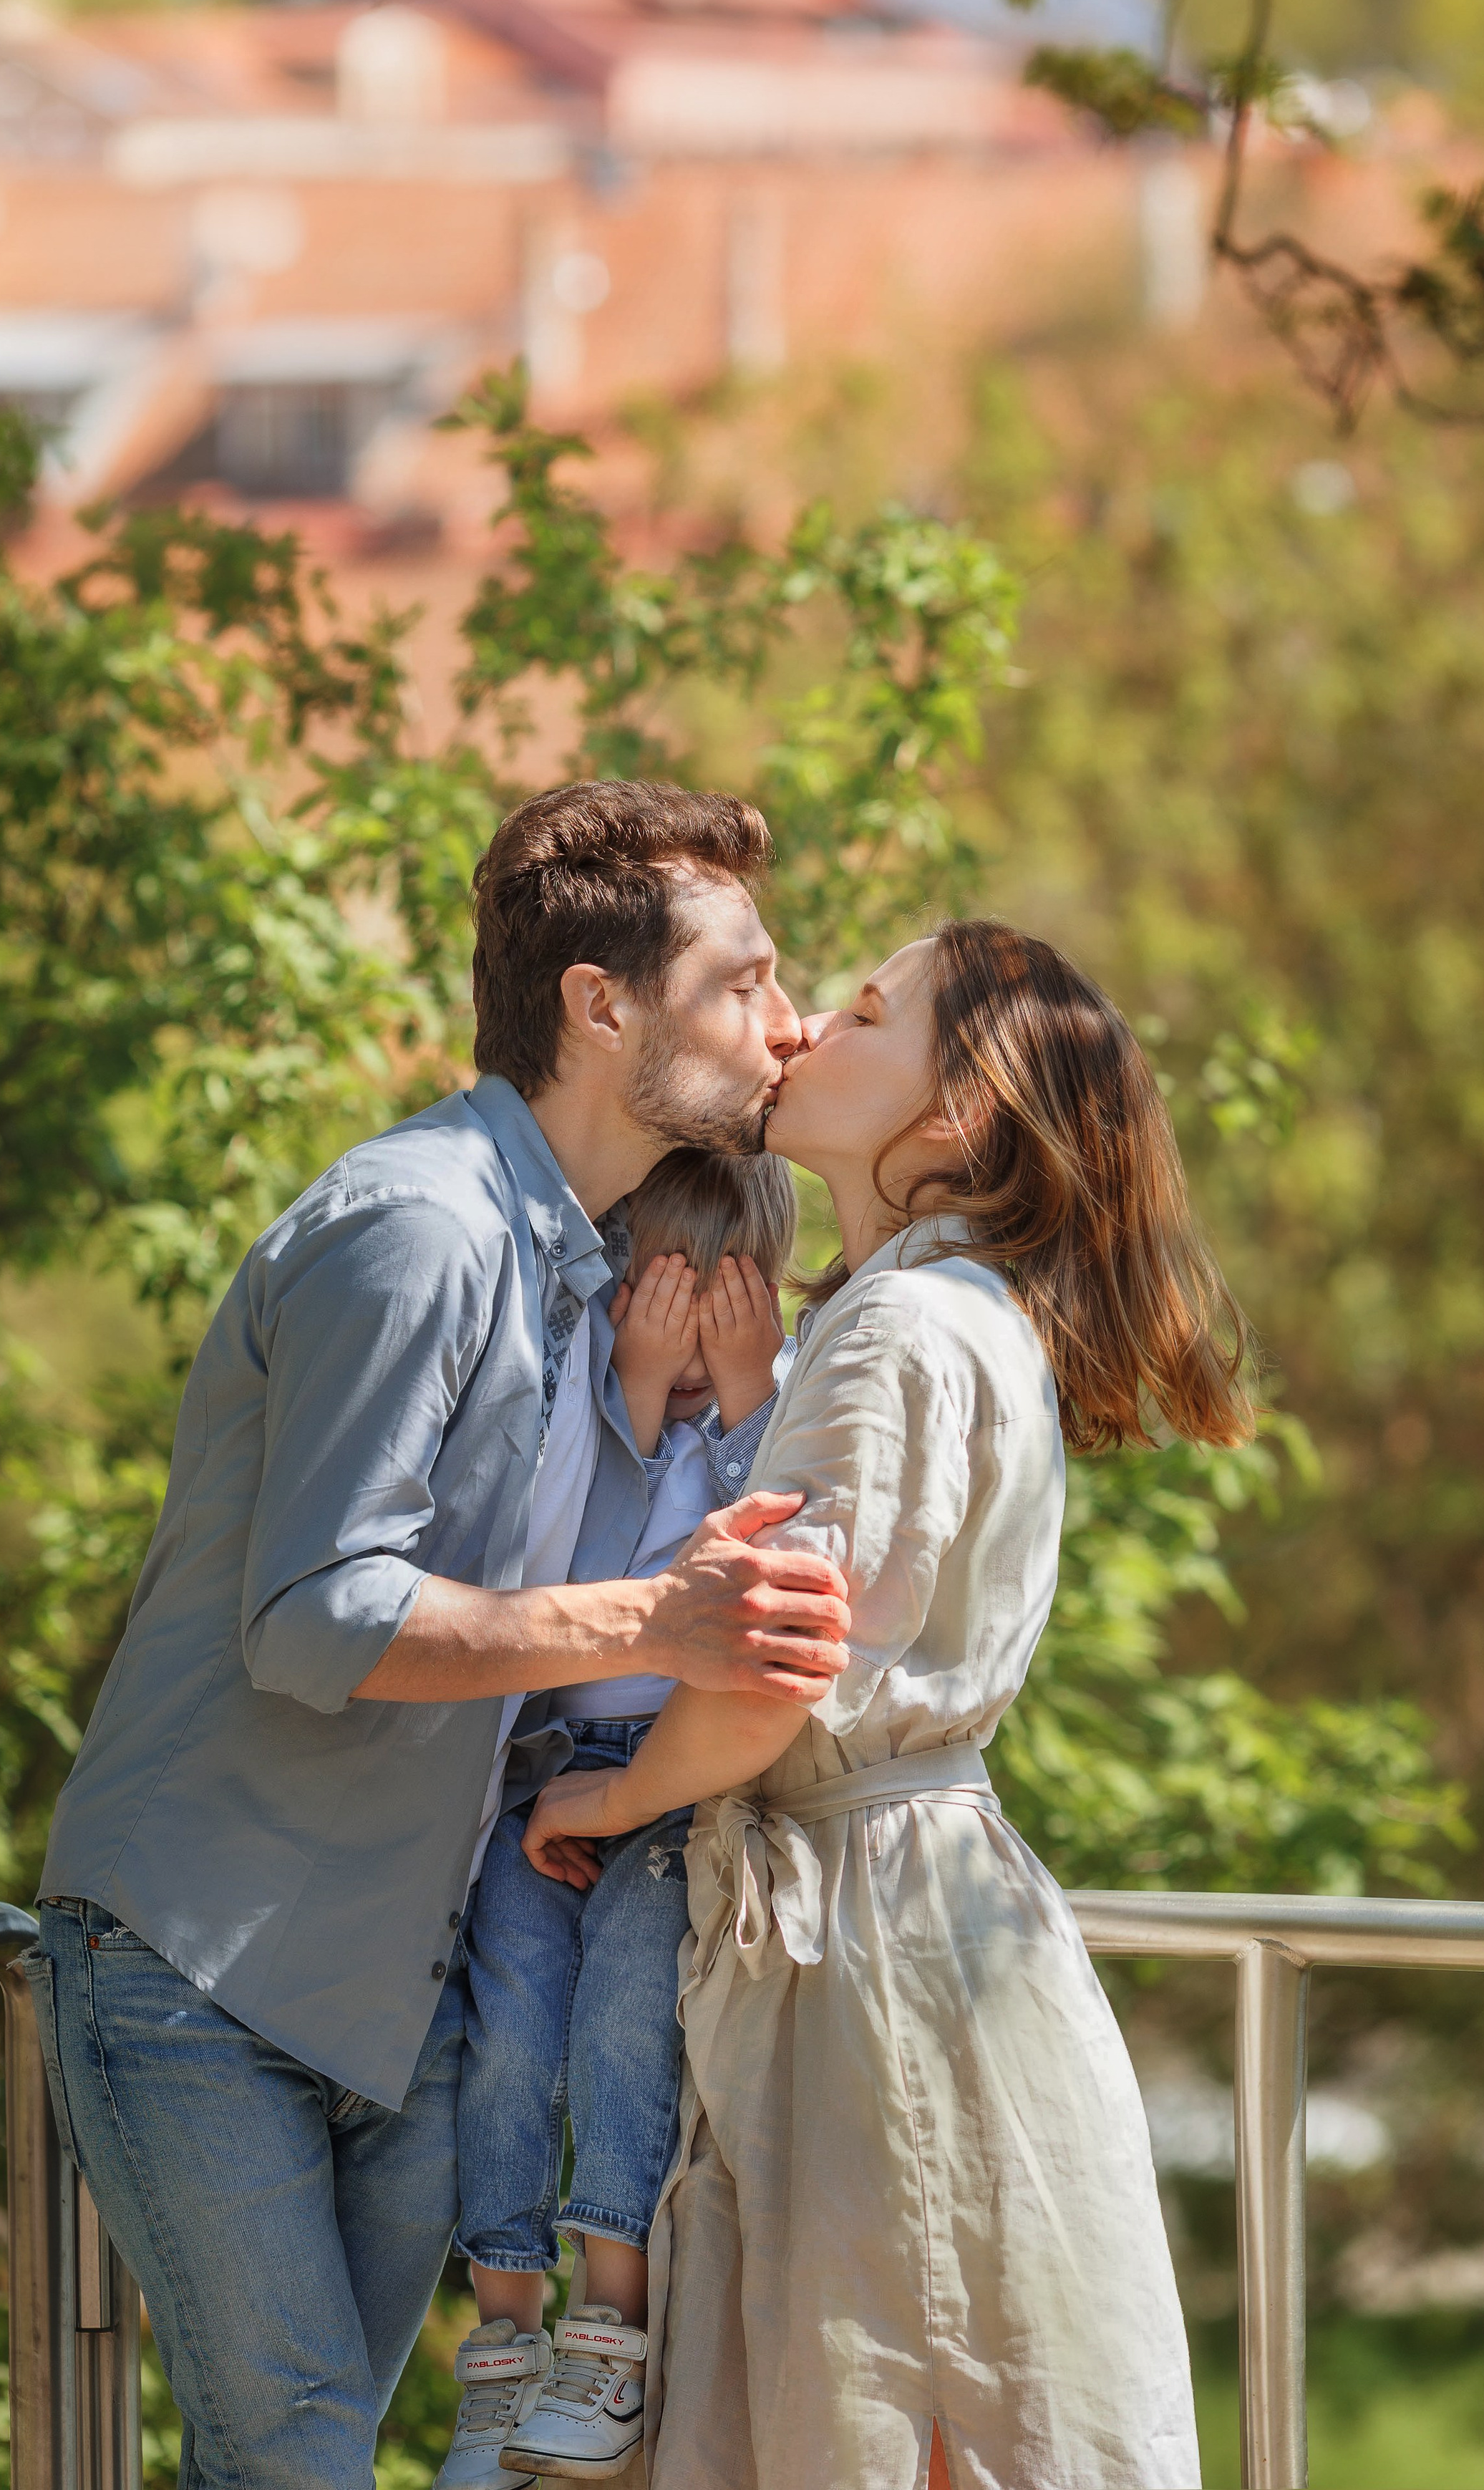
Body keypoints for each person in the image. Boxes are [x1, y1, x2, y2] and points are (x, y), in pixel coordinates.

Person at [25, 783, 851, 2490]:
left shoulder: (589, 1261)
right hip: (200, 1966)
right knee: (305, 2463)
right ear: (600, 1003)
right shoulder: (421, 1228)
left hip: (403, 1999)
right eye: (742, 981)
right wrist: (660, 1619)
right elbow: (316, 1614)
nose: (786, 1025)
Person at [524, 919, 1252, 2490]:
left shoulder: (899, 1330)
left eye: (860, 1012)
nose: (796, 1034)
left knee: (893, 2391)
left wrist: (605, 1794)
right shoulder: (950, 1315)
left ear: (959, 1114)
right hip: (919, 1914)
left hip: (872, 1951)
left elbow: (770, 1673)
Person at [441, 1150, 797, 2489]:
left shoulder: (777, 1404)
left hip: (680, 1771)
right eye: (661, 1292)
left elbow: (798, 1538)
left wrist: (750, 1387)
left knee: (622, 2012)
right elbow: (562, 1581)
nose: (690, 1328)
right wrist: (635, 1394)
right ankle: (501, 2343)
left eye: (724, 1299)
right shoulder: (588, 1396)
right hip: (548, 1762)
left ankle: (611, 2327)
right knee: (512, 2017)